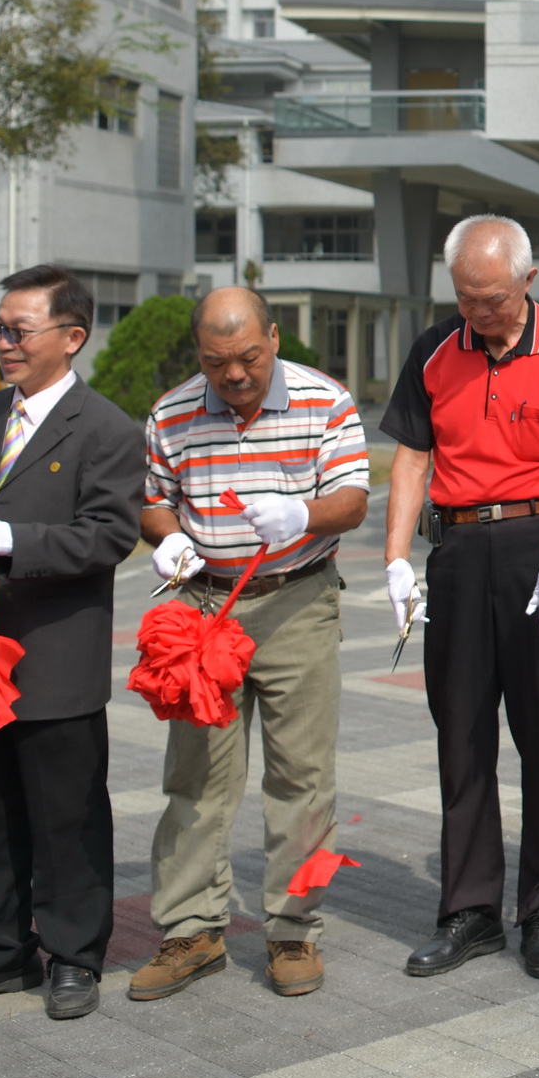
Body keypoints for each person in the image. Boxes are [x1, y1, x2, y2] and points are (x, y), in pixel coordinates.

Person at [380, 214, 539, 979]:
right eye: (465, 298)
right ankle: (470, 909)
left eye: (492, 299)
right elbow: (411, 458)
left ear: (528, 280)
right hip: (458, 550)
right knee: (462, 735)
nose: (478, 313)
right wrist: (396, 559)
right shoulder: (433, 350)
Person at [0, 265, 147, 1021]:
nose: (4, 344)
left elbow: (109, 535)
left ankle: (74, 956)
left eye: (19, 331)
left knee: (66, 816)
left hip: (55, 654)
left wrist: (15, 538)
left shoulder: (105, 428)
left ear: (72, 337)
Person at [129, 288, 371, 1002]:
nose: (233, 375)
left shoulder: (325, 401)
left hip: (297, 601)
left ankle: (294, 928)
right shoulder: (173, 413)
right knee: (197, 776)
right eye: (215, 362)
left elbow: (353, 499)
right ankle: (192, 930)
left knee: (303, 778)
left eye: (248, 358)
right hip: (207, 608)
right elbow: (154, 499)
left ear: (274, 337)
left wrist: (302, 513)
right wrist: (167, 538)